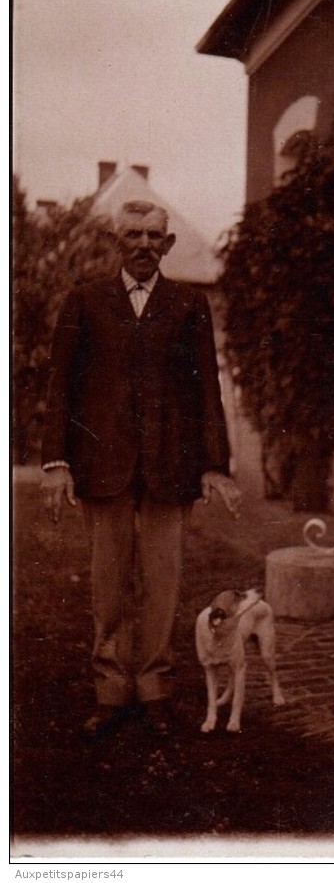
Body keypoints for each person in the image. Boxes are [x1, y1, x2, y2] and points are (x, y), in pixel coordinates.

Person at [40, 200, 242, 740]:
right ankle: (110, 690)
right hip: (101, 466)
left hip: (168, 467)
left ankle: (154, 690)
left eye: (155, 235)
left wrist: (213, 464)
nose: (145, 244)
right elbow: (61, 384)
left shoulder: (188, 303)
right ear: (116, 241)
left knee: (161, 583)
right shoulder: (84, 301)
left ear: (169, 244)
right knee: (108, 587)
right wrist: (57, 463)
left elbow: (207, 390)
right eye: (134, 234)